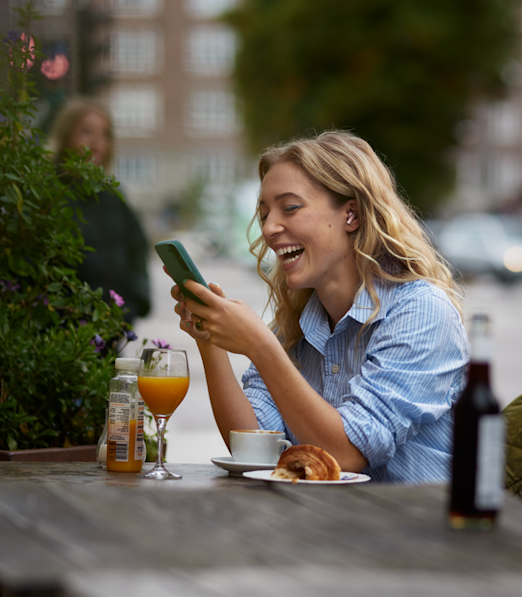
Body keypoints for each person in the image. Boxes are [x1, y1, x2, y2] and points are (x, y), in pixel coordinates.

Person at [170, 130, 468, 485]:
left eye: (290, 207)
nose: (268, 228)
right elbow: (254, 447)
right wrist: (211, 343)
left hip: (415, 531)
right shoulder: (296, 324)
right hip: (326, 525)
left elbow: (345, 455)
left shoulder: (421, 312)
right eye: (264, 214)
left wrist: (259, 346)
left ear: (351, 215)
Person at [49, 98, 151, 324]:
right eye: (86, 132)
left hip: (113, 329)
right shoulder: (48, 194)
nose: (97, 142)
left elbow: (138, 251)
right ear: (65, 136)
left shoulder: (113, 198)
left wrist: (133, 306)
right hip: (63, 334)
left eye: (105, 134)